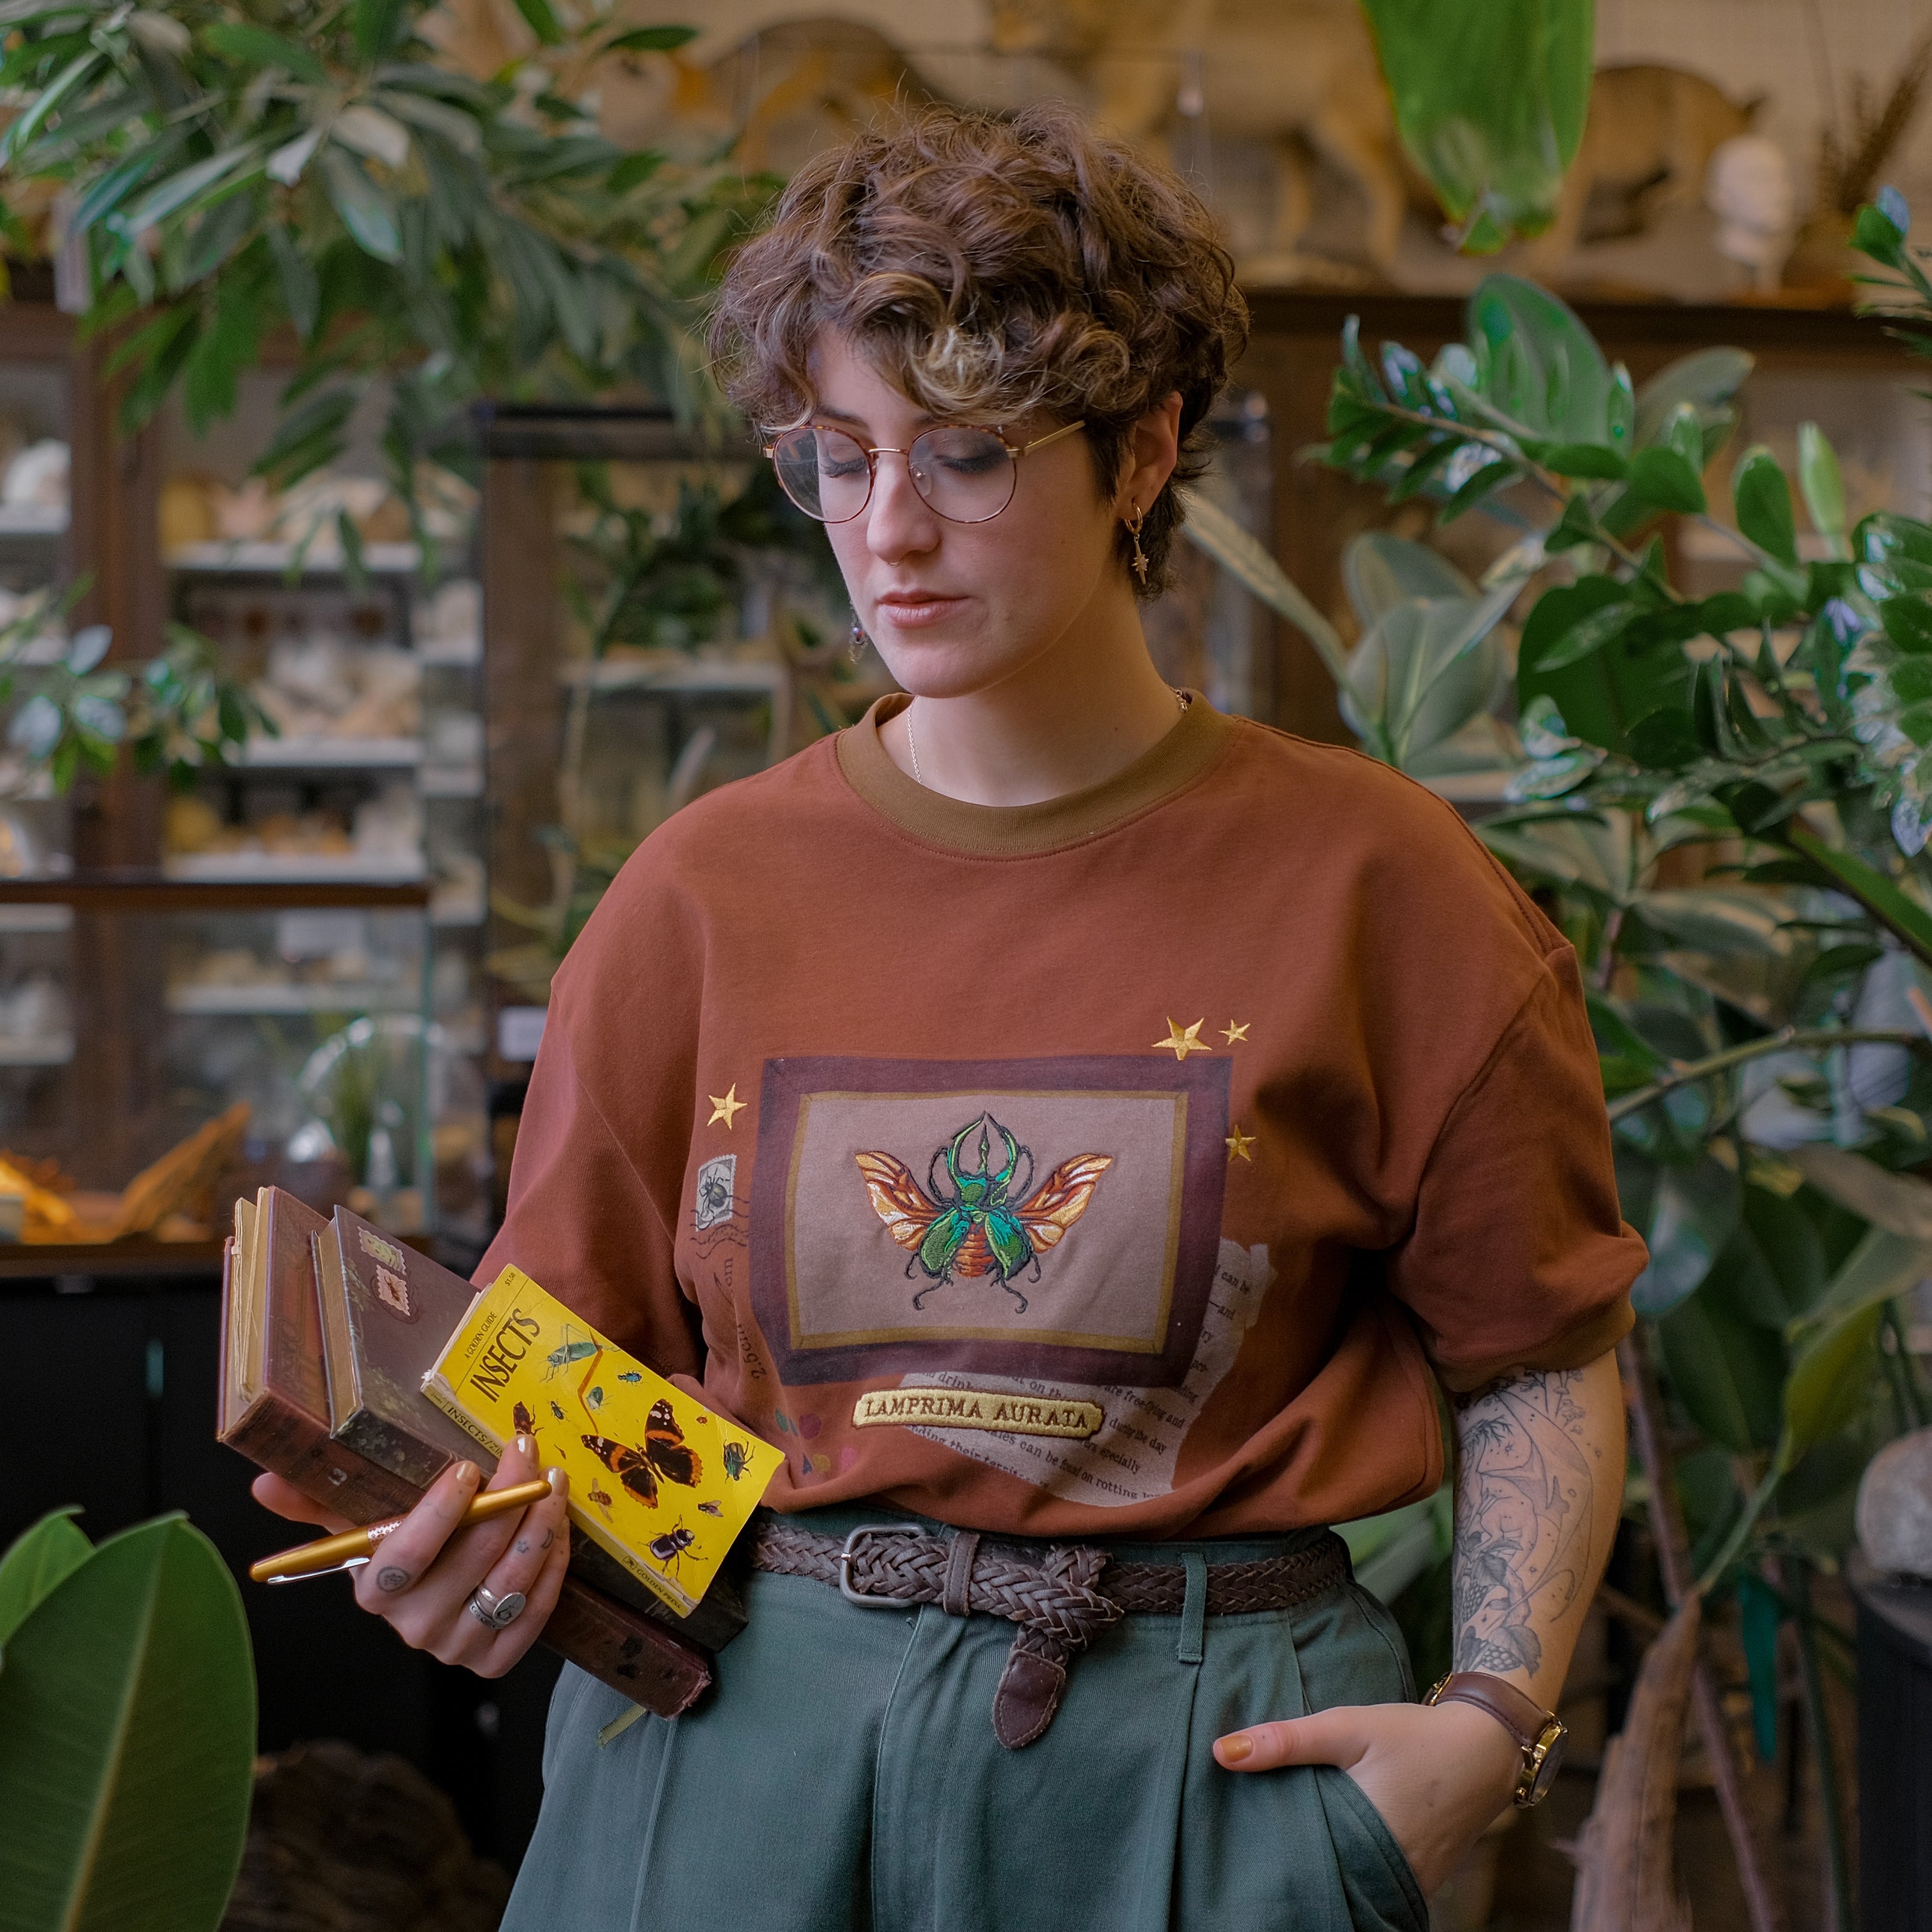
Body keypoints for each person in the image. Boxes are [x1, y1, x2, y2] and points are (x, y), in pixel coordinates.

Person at [254, 101, 1643, 1931]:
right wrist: (477, 1561)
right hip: (736, 1744)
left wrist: (1494, 1722)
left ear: (1145, 448)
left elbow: (1538, 1349)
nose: (889, 531)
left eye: (971, 456)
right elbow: (555, 1398)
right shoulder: (695, 899)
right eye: (838, 457)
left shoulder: (1384, 888)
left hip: (1203, 1774)